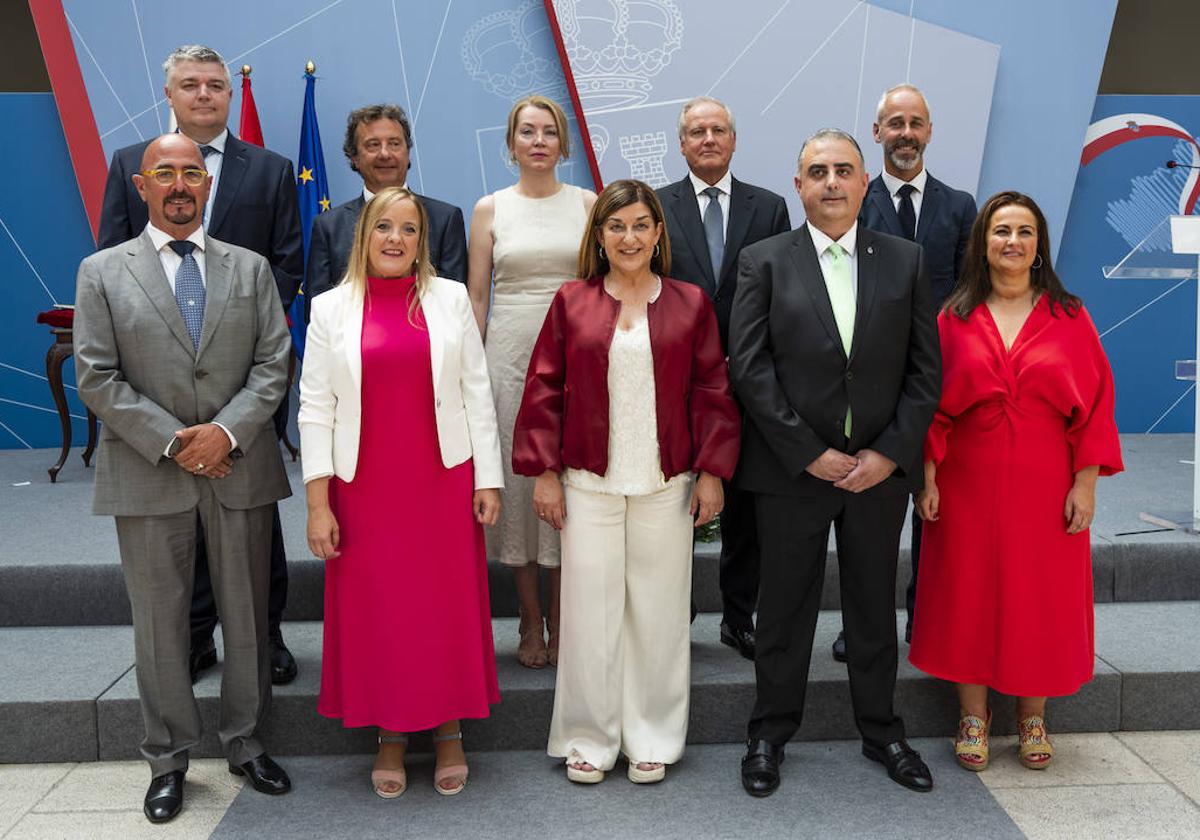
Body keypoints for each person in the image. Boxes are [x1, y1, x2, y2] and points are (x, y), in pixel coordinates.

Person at [74, 134, 293, 823]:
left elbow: (273, 363)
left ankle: (245, 741)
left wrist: (224, 432)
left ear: (207, 184)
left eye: (191, 173)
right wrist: (178, 442)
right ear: (141, 187)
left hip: (239, 465)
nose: (178, 183)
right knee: (160, 623)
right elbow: (97, 376)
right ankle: (167, 759)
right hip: (148, 471)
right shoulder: (102, 271)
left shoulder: (251, 268)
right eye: (163, 172)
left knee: (247, 615)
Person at [730, 129, 941, 797]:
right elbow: (750, 368)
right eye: (816, 171)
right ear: (798, 185)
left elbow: (924, 373)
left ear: (862, 183)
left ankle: (883, 731)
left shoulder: (905, 260)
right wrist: (808, 452)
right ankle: (768, 733)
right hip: (792, 473)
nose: (830, 182)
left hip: (878, 476)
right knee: (785, 610)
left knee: (873, 609)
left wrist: (889, 454)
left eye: (843, 170)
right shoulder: (763, 260)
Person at [512, 179, 741, 785]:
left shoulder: (692, 303)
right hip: (589, 482)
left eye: (641, 225)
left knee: (659, 614)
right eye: (617, 227)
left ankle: (652, 737)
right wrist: (546, 474)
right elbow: (544, 389)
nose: (630, 237)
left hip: (667, 484)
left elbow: (714, 391)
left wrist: (713, 472)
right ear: (600, 236)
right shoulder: (572, 301)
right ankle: (590, 737)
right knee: (589, 615)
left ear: (658, 232)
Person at [98, 44, 303, 685]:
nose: (205, 94)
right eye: (191, 84)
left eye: (215, 84)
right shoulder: (132, 163)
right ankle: (190, 639)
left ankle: (263, 638)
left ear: (229, 94)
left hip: (245, 385)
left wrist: (240, 358)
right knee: (176, 528)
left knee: (252, 522)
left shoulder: (269, 169)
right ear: (170, 95)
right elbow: (114, 262)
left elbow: (287, 265)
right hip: (158, 390)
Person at [300, 186, 503, 798]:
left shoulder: (450, 300)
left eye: (409, 229)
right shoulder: (331, 307)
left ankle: (448, 730)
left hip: (441, 481)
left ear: (424, 240)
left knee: (441, 607)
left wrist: (487, 478)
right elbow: (314, 406)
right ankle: (389, 734)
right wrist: (317, 503)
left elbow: (476, 392)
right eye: (383, 227)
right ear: (365, 236)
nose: (396, 239)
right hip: (364, 487)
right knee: (382, 611)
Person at [910, 191, 1123, 772]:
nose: (1013, 242)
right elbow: (930, 406)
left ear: (1039, 246)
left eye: (1024, 232)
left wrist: (1086, 484)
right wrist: (926, 476)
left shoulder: (1070, 315)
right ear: (983, 243)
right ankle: (973, 716)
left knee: (1040, 594)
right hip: (966, 477)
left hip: (1046, 477)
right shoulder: (952, 318)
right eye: (1001, 231)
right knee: (967, 590)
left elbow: (1097, 405)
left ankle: (1033, 717)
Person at [831, 83, 978, 663]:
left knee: (933, 508)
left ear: (930, 132)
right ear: (877, 133)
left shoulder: (960, 205)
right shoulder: (851, 201)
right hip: (865, 386)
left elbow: (969, 290)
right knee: (865, 522)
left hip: (935, 383)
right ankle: (860, 625)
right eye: (895, 123)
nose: (906, 133)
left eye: (916, 122)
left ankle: (924, 618)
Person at [656, 96, 791, 660]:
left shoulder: (771, 207)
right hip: (677, 381)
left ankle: (740, 617)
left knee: (747, 511)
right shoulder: (656, 206)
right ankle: (672, 620)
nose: (707, 138)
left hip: (751, 379)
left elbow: (785, 293)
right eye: (696, 131)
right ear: (681, 143)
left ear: (734, 140)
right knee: (673, 509)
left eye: (717, 130)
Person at [467, 95, 596, 669]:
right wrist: (466, 369)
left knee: (570, 486)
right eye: (527, 131)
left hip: (578, 357)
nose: (539, 140)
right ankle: (527, 619)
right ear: (512, 142)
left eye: (549, 132)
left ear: (563, 144)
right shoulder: (489, 209)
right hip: (510, 358)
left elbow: (601, 285)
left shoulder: (589, 204)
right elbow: (476, 296)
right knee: (520, 490)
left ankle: (566, 621)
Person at [305, 103, 469, 306]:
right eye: (373, 145)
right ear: (354, 157)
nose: (385, 154)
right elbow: (316, 309)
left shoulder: (445, 219)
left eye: (394, 143)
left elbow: (455, 305)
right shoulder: (329, 226)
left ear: (407, 153)